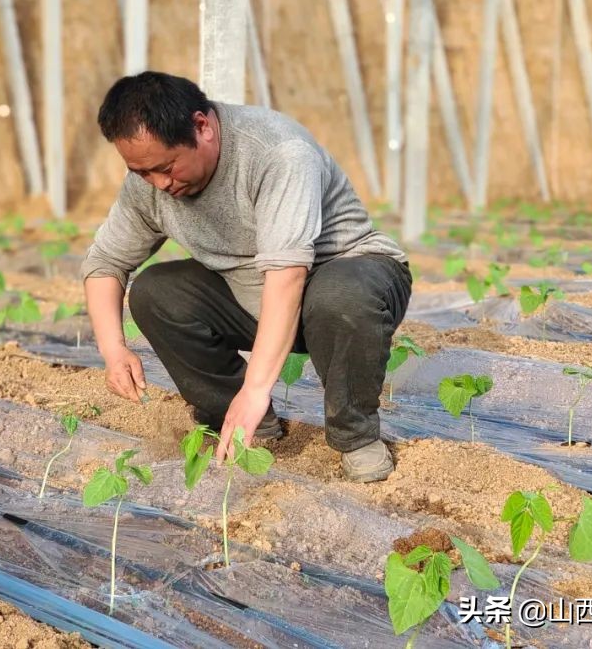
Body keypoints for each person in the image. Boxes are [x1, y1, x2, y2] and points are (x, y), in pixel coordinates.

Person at [81, 71, 412, 482]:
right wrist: (113, 351)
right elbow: (105, 264)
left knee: (340, 294)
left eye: (166, 168)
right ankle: (238, 422)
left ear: (202, 126)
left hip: (347, 280)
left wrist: (255, 390)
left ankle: (355, 436)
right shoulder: (148, 184)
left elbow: (288, 274)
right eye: (142, 172)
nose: (159, 184)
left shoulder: (277, 152)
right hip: (254, 296)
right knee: (155, 292)